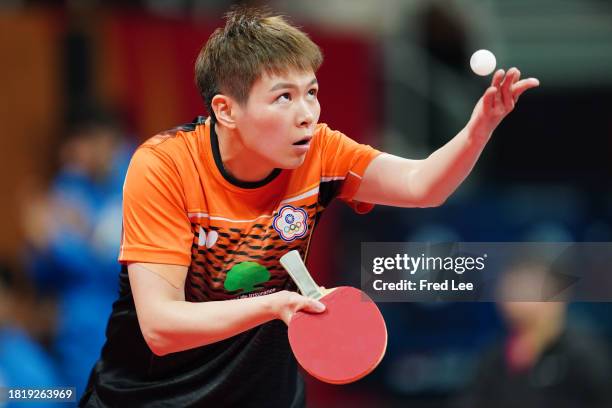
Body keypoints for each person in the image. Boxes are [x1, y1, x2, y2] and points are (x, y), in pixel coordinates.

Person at [80, 7, 539, 407]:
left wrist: (479, 128)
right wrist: (273, 305)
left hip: (264, 394)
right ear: (226, 110)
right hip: (150, 395)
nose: (307, 113)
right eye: (284, 96)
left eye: (312, 92)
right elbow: (161, 327)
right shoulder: (165, 166)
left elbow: (422, 186)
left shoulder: (320, 152)